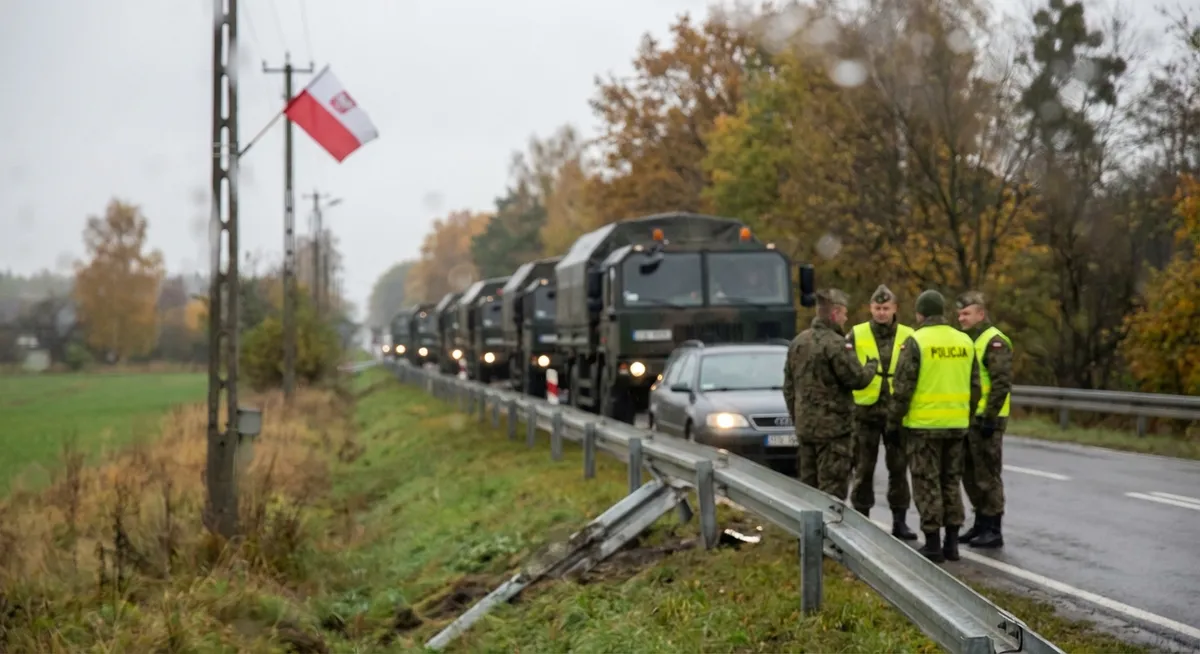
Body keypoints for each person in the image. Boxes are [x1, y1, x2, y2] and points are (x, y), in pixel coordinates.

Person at [888, 290, 980, 563]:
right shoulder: (964, 341)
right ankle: (952, 543)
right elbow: (975, 386)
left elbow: (903, 388)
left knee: (927, 483)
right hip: (957, 425)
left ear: (920, 314)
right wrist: (966, 415)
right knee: (951, 482)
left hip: (923, 426)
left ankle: (932, 544)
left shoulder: (916, 341)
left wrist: (893, 422)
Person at [783, 289, 880, 500]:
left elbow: (789, 388)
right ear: (835, 314)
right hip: (834, 432)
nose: (845, 318)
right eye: (844, 314)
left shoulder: (798, 342)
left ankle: (808, 522)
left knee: (808, 489)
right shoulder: (836, 344)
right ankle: (828, 523)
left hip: (805, 428)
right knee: (832, 490)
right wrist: (872, 366)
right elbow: (856, 379)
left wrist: (797, 417)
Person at [846, 284, 917, 540]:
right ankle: (862, 518)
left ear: (895, 308)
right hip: (865, 412)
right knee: (863, 468)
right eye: (877, 308)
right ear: (870, 308)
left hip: (897, 411)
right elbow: (845, 367)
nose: (881, 313)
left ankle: (900, 521)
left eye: (886, 308)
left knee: (898, 469)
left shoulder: (909, 335)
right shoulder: (856, 334)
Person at [956, 291, 1013, 549]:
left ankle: (993, 527)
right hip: (969, 418)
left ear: (981, 314)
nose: (961, 318)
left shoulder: (994, 341)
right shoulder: (969, 340)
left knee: (988, 474)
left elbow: (1001, 382)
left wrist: (990, 416)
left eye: (966, 314)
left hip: (988, 419)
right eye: (960, 314)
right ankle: (980, 522)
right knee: (970, 473)